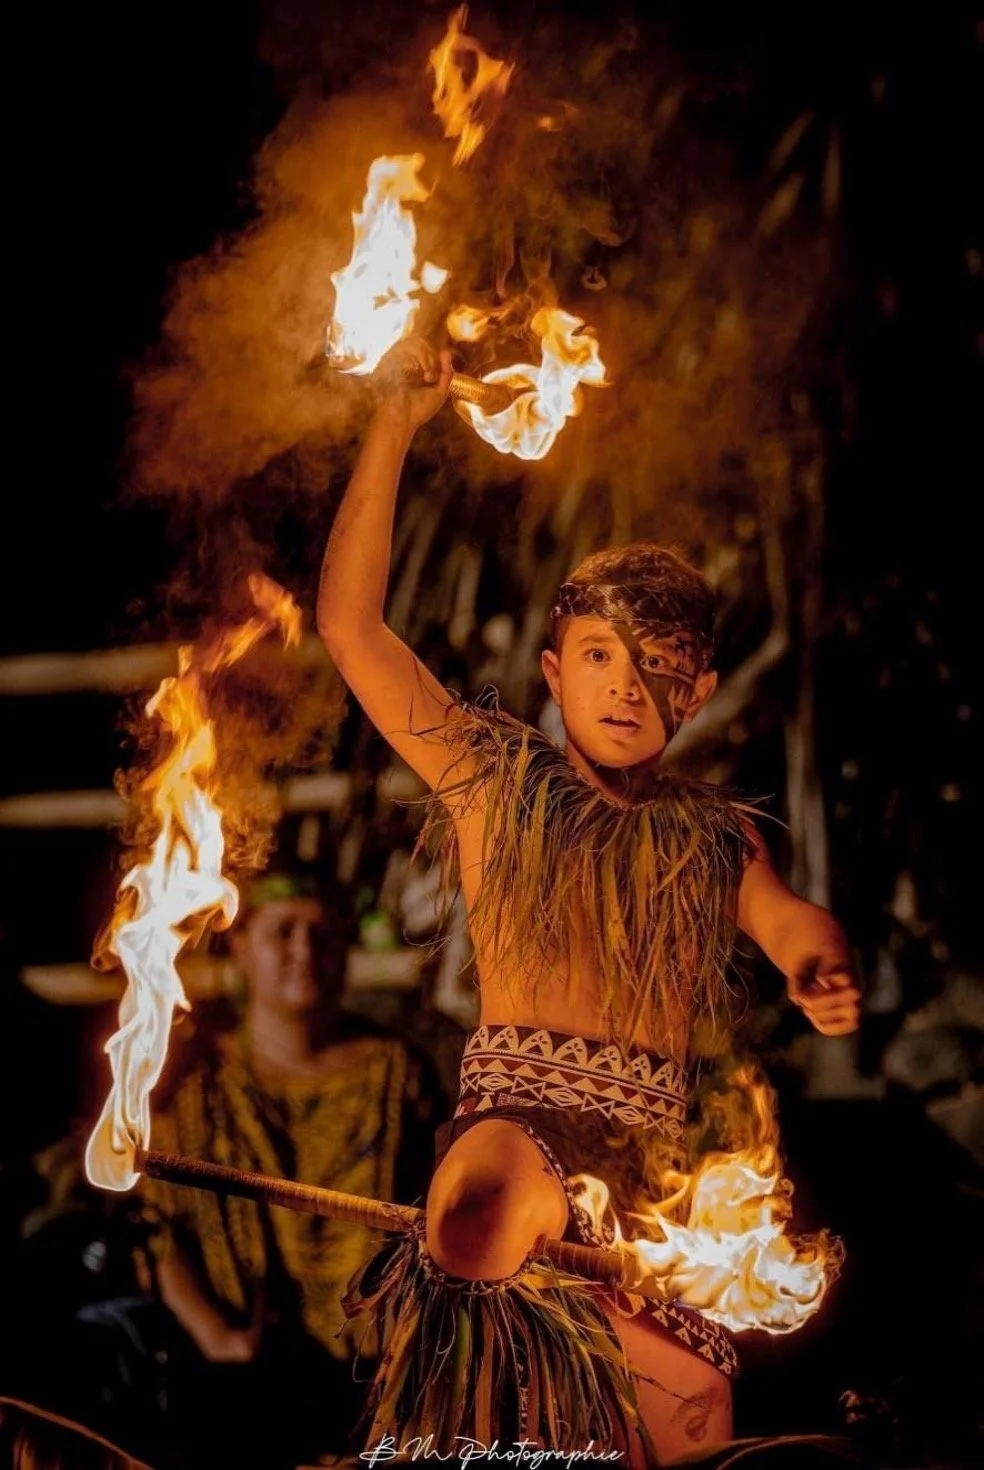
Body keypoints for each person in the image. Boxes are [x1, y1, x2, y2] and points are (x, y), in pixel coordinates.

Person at [317, 339, 861, 1465]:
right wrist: (395, 424)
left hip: (654, 1169)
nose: (626, 684)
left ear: (697, 692)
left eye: (657, 663)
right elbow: (351, 630)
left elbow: (786, 918)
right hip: (520, 1126)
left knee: (692, 1427)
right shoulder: (490, 781)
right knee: (480, 1215)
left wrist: (818, 962)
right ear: (555, 672)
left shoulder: (713, 837)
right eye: (601, 655)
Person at [140, 863, 445, 1468]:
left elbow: (437, 1212)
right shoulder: (199, 1080)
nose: (304, 950)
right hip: (240, 1370)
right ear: (241, 947)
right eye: (283, 931)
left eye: (322, 934)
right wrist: (217, 1338)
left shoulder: (395, 1071)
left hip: (378, 1370)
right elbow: (157, 1231)